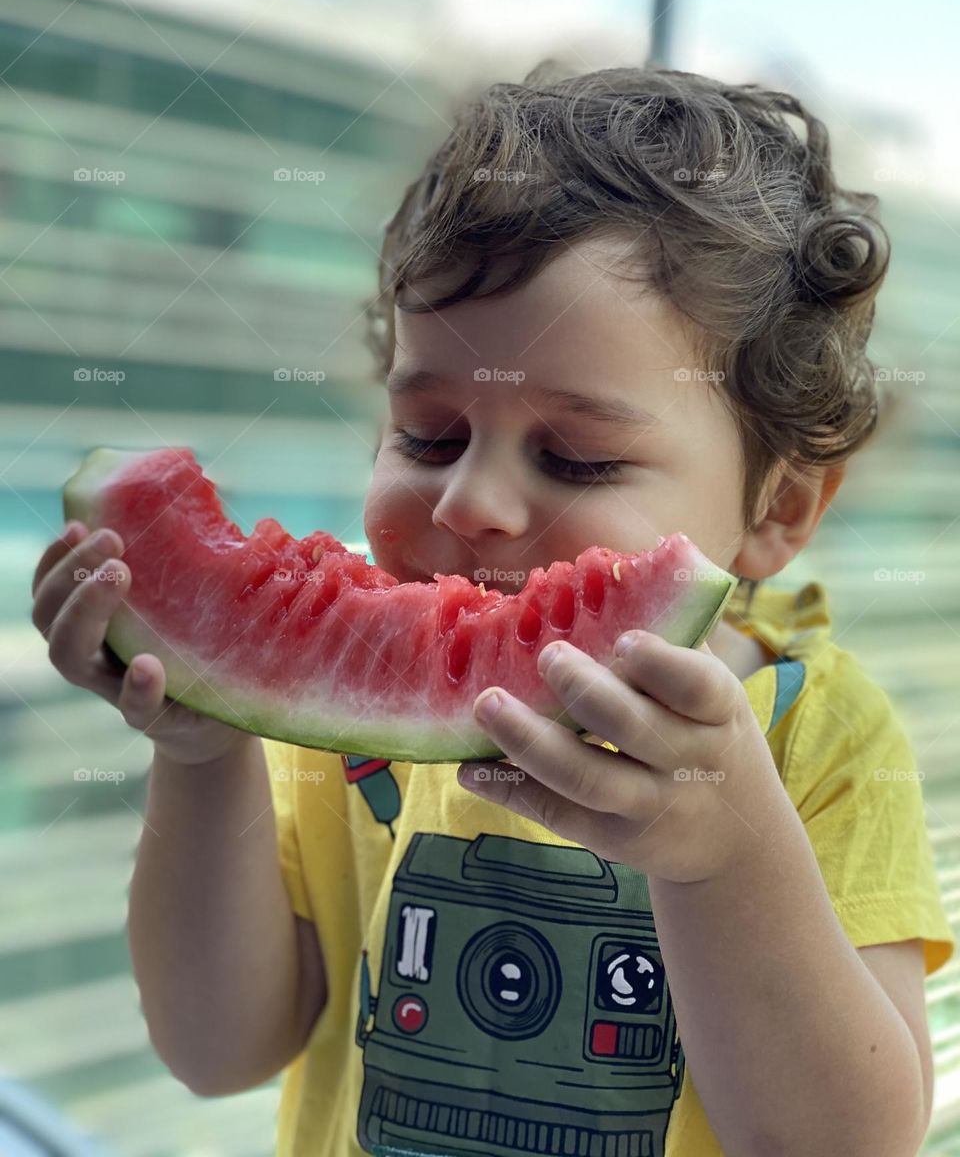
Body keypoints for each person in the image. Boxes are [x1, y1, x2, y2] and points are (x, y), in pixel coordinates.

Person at [31, 64, 955, 1157]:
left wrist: (727, 850)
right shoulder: (345, 739)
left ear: (780, 507)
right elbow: (215, 1045)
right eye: (428, 435)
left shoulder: (816, 735)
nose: (470, 500)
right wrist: (200, 754)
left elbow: (847, 1143)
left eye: (575, 455)